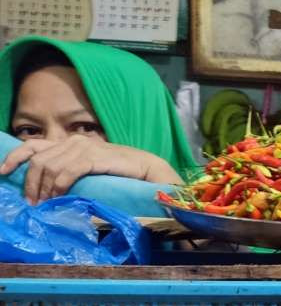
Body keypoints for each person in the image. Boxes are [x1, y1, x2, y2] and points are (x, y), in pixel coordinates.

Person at [0, 36, 197, 204]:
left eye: (85, 127)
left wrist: (155, 171)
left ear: (144, 127)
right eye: (29, 130)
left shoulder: (224, 220)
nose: (51, 150)